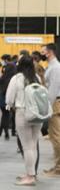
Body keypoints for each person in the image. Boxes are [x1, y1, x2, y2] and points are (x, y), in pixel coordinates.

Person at [6, 56, 43, 186]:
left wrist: (11, 105)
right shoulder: (36, 78)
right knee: (33, 145)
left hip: (23, 113)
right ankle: (31, 173)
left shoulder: (17, 79)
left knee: (26, 146)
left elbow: (9, 99)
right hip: (37, 114)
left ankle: (30, 176)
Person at [41, 43, 60, 177]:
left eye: (43, 52)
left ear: (49, 52)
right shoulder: (52, 66)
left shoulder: (56, 68)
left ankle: (59, 168)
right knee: (54, 136)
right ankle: (57, 165)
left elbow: (53, 88)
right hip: (54, 102)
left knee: (56, 136)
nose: (42, 54)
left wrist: (48, 105)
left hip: (55, 103)